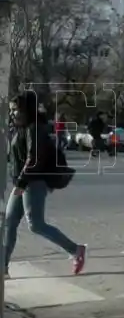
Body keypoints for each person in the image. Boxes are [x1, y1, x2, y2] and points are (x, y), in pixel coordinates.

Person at [5, 92, 86, 278]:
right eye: (12, 110)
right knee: (9, 222)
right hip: (23, 180)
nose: (13, 114)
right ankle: (3, 267)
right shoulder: (20, 128)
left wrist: (22, 182)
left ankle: (76, 250)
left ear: (26, 110)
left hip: (33, 181)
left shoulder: (35, 128)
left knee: (36, 225)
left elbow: (34, 159)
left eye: (16, 110)